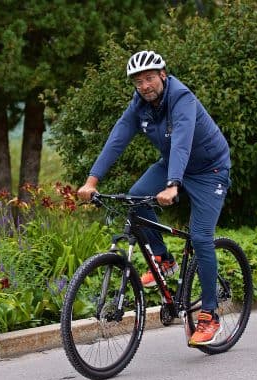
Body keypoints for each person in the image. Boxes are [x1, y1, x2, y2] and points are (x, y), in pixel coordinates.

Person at [77, 50, 231, 346]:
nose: (145, 85)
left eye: (149, 78)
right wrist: (92, 180)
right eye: (138, 81)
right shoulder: (139, 105)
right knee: (137, 198)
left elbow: (183, 139)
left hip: (209, 169)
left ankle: (210, 314)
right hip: (172, 164)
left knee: (200, 238)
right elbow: (117, 138)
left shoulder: (181, 98)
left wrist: (173, 184)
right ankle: (163, 259)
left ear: (162, 74)